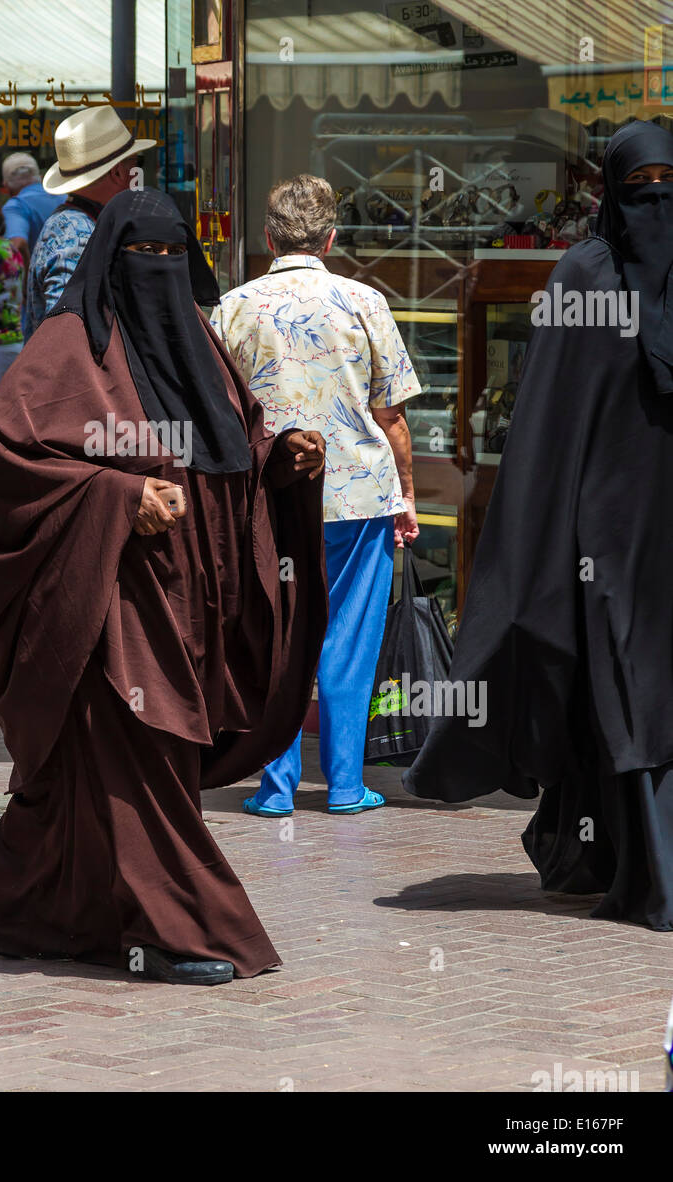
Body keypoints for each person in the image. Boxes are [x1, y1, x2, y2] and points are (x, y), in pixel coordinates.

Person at [0, 188, 329, 984]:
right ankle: (189, 930)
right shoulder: (67, 346)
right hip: (108, 608)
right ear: (111, 263)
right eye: (142, 258)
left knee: (99, 782)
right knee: (139, 765)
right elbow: (6, 464)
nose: (159, 272)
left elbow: (233, 444)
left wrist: (282, 458)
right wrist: (118, 498)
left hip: (195, 604)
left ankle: (23, 900)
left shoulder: (201, 345)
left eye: (173, 256)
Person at [405, 120, 673, 934]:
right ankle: (643, 866)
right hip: (606, 531)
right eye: (641, 187)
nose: (655, 203)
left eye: (669, 183)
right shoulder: (583, 275)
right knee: (628, 684)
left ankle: (601, 854)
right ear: (613, 191)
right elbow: (549, 423)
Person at [212, 174, 422, 817]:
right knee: (349, 640)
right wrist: (407, 494)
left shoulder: (234, 307)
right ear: (331, 237)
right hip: (358, 495)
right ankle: (345, 784)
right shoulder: (365, 301)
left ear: (269, 237)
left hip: (272, 497)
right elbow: (391, 417)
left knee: (276, 633)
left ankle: (274, 787)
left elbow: (222, 413)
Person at [22, 106, 154, 340]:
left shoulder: (75, 225)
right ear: (116, 172)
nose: (138, 172)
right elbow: (67, 333)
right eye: (136, 163)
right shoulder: (76, 235)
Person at [0, 151, 60, 268]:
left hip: (42, 282)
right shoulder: (63, 196)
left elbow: (18, 244)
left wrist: (26, 280)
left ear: (6, 186)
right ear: (41, 177)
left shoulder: (15, 206)